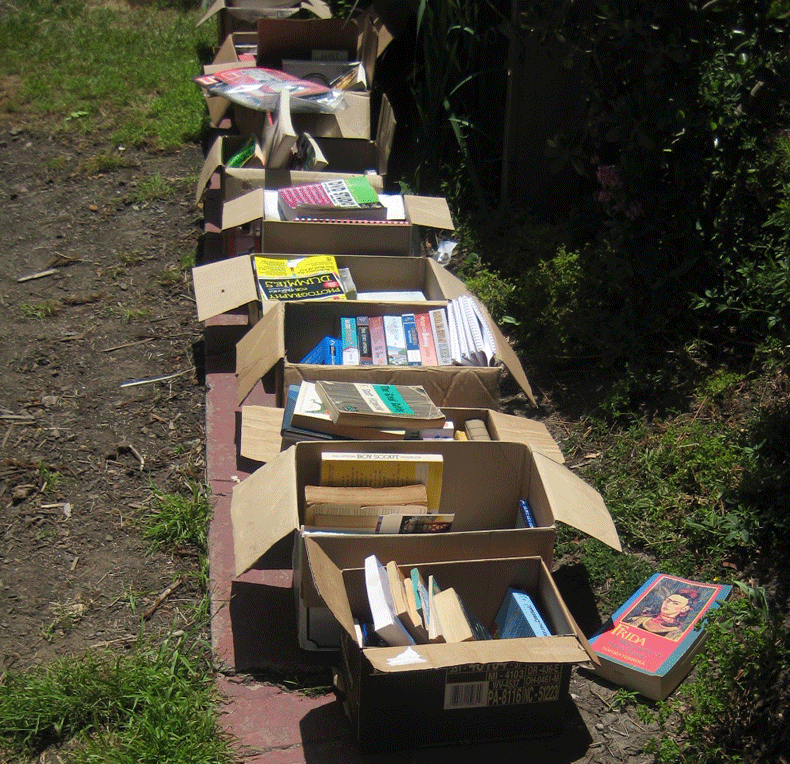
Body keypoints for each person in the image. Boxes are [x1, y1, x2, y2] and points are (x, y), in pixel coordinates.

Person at [624, 587, 701, 641]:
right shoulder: (639, 619)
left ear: (685, 609)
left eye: (675, 603)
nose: (667, 604)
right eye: (667, 600)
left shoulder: (676, 634)